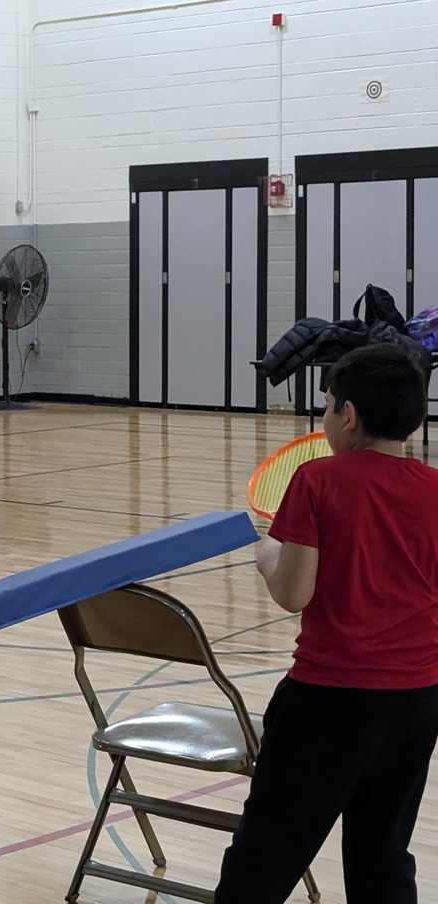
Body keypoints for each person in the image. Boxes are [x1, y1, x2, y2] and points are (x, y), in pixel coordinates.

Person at [215, 344, 438, 904]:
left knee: (263, 860)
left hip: (329, 700)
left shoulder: (317, 480)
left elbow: (292, 593)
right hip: (416, 701)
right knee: (382, 858)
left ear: (349, 414)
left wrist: (268, 552)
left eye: (327, 407)